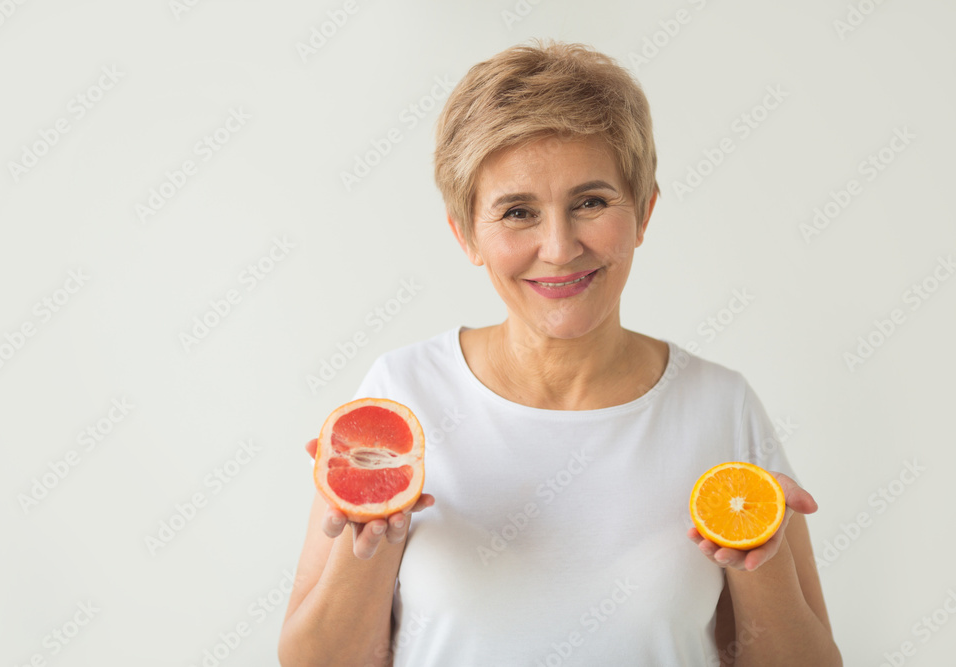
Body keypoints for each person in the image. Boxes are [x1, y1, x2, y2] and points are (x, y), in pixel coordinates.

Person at [278, 39, 841, 666]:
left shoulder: (720, 405)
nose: (559, 246)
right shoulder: (402, 392)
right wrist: (375, 543)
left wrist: (759, 565)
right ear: (467, 235)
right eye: (518, 212)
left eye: (591, 203)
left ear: (644, 212)